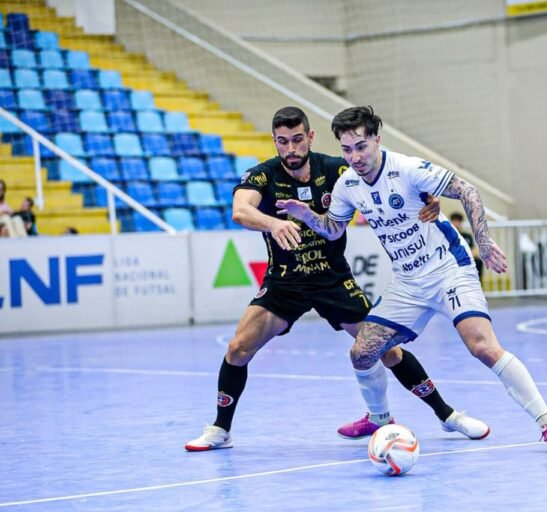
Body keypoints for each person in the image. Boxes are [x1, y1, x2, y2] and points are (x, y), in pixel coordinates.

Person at [185, 107, 489, 452]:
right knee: (238, 349)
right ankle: (221, 430)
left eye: (298, 140)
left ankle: (447, 415)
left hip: (332, 278)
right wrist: (273, 223)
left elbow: (390, 177)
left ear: (310, 137)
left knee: (385, 348)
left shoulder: (337, 169)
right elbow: (241, 210)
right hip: (286, 280)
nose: (291, 149)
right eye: (283, 142)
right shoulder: (262, 176)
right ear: (274, 142)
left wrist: (429, 199)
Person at [277, 106, 547, 454]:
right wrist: (306, 214)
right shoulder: (347, 185)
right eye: (346, 149)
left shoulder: (407, 168)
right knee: (362, 353)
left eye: (361, 146)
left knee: (483, 347)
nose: (354, 156)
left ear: (376, 140)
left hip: (448, 268)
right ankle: (378, 418)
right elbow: (332, 229)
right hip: (407, 281)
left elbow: (468, 191)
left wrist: (484, 239)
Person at [450, 212, 483, 283]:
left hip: (465, 258)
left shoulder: (467, 236)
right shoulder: (448, 236)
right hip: (452, 259)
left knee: (478, 261)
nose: (456, 223)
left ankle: (477, 284)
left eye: (458, 221)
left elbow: (474, 251)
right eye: (454, 220)